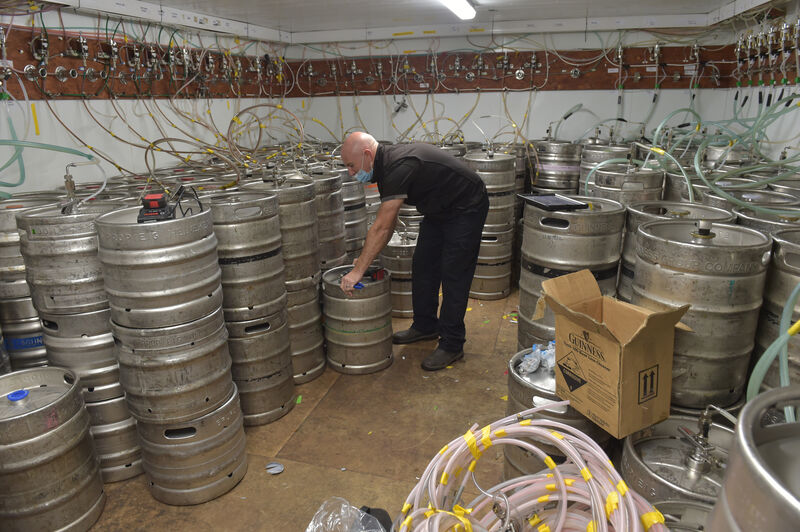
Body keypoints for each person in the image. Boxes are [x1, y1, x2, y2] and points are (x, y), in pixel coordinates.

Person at [339, 132, 489, 371]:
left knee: (454, 274)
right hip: (439, 209)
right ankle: (425, 325)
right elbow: (387, 223)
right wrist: (365, 261)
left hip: (466, 206)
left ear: (367, 155)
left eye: (351, 165)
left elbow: (382, 227)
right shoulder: (383, 166)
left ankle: (452, 344)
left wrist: (358, 271)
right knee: (423, 265)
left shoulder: (398, 166)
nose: (350, 172)